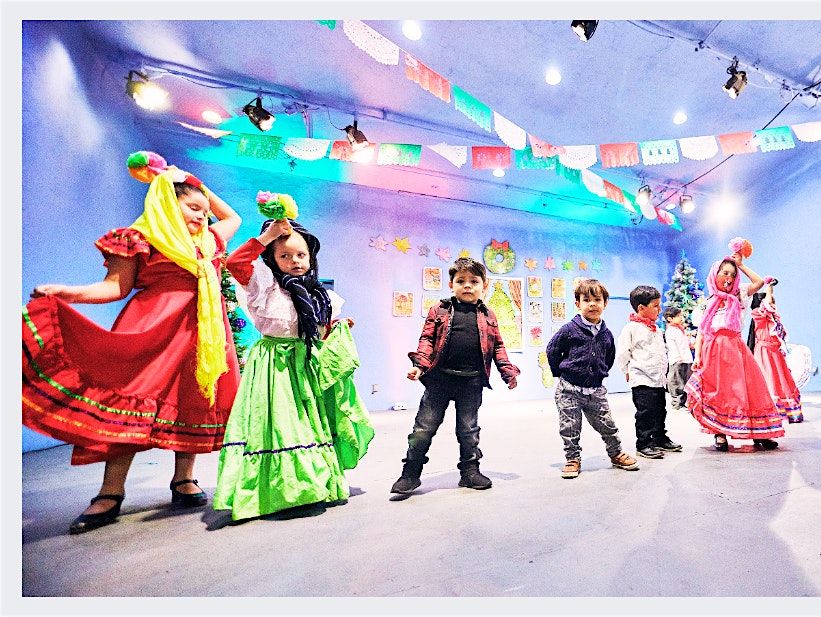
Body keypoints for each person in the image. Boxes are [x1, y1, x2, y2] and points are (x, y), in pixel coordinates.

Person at [22, 156, 242, 533]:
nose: (202, 217)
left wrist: (196, 185)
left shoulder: (208, 241)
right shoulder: (141, 237)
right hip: (151, 328)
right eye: (192, 208)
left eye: (205, 212)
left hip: (203, 335)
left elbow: (232, 218)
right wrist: (66, 292)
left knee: (195, 399)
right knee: (127, 400)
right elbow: (115, 288)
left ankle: (184, 478)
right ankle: (110, 492)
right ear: (166, 203)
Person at [213, 211, 374, 520]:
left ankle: (312, 485)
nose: (295, 260)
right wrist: (266, 237)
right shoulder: (265, 285)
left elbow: (315, 329)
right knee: (280, 423)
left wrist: (337, 326)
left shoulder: (319, 295)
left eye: (301, 254)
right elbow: (234, 264)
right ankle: (282, 491)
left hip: (305, 362)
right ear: (273, 259)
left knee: (308, 422)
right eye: (285, 255)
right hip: (275, 365)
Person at [391, 257, 520, 494]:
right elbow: (427, 340)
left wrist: (507, 371)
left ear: (484, 285)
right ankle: (410, 473)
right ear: (452, 284)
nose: (467, 285)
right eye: (461, 281)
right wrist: (419, 365)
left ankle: (470, 472)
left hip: (471, 383)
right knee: (423, 428)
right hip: (439, 380)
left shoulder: (488, 315)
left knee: (468, 430)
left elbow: (498, 346)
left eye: (474, 281)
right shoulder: (439, 310)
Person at [686, 252, 783, 452]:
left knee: (751, 391)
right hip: (713, 352)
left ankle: (760, 433)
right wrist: (698, 358)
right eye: (724, 273)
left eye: (732, 274)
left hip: (736, 351)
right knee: (719, 394)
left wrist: (741, 265)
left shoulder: (740, 294)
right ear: (715, 275)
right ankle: (720, 434)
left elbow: (758, 282)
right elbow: (702, 332)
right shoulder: (708, 302)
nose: (728, 278)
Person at [546, 279, 639, 479]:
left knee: (607, 423)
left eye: (597, 299)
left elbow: (610, 356)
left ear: (605, 303)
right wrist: (560, 373)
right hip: (569, 389)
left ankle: (616, 453)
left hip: (596, 390)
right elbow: (552, 350)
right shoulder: (569, 329)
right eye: (586, 300)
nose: (592, 304)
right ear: (578, 304)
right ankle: (572, 459)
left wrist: (599, 373)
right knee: (569, 426)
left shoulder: (607, 334)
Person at [616, 286, 682, 459]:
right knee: (645, 413)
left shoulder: (656, 329)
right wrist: (626, 371)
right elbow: (623, 353)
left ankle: (659, 437)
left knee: (660, 410)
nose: (659, 309)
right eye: (655, 306)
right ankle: (643, 443)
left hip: (658, 380)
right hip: (641, 379)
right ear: (641, 308)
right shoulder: (631, 328)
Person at [747, 280, 803, 422]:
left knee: (781, 380)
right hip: (765, 353)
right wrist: (769, 289)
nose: (772, 305)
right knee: (769, 380)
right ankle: (770, 411)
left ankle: (787, 411)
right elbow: (765, 308)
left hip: (775, 352)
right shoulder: (758, 315)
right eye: (769, 301)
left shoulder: (774, 318)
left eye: (773, 302)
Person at [663, 306, 693, 412]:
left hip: (686, 359)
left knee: (685, 381)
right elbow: (674, 346)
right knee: (677, 381)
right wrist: (679, 358)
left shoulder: (680, 329)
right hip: (677, 360)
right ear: (670, 318)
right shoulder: (671, 331)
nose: (681, 318)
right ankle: (677, 403)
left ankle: (683, 402)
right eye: (678, 316)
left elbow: (684, 344)